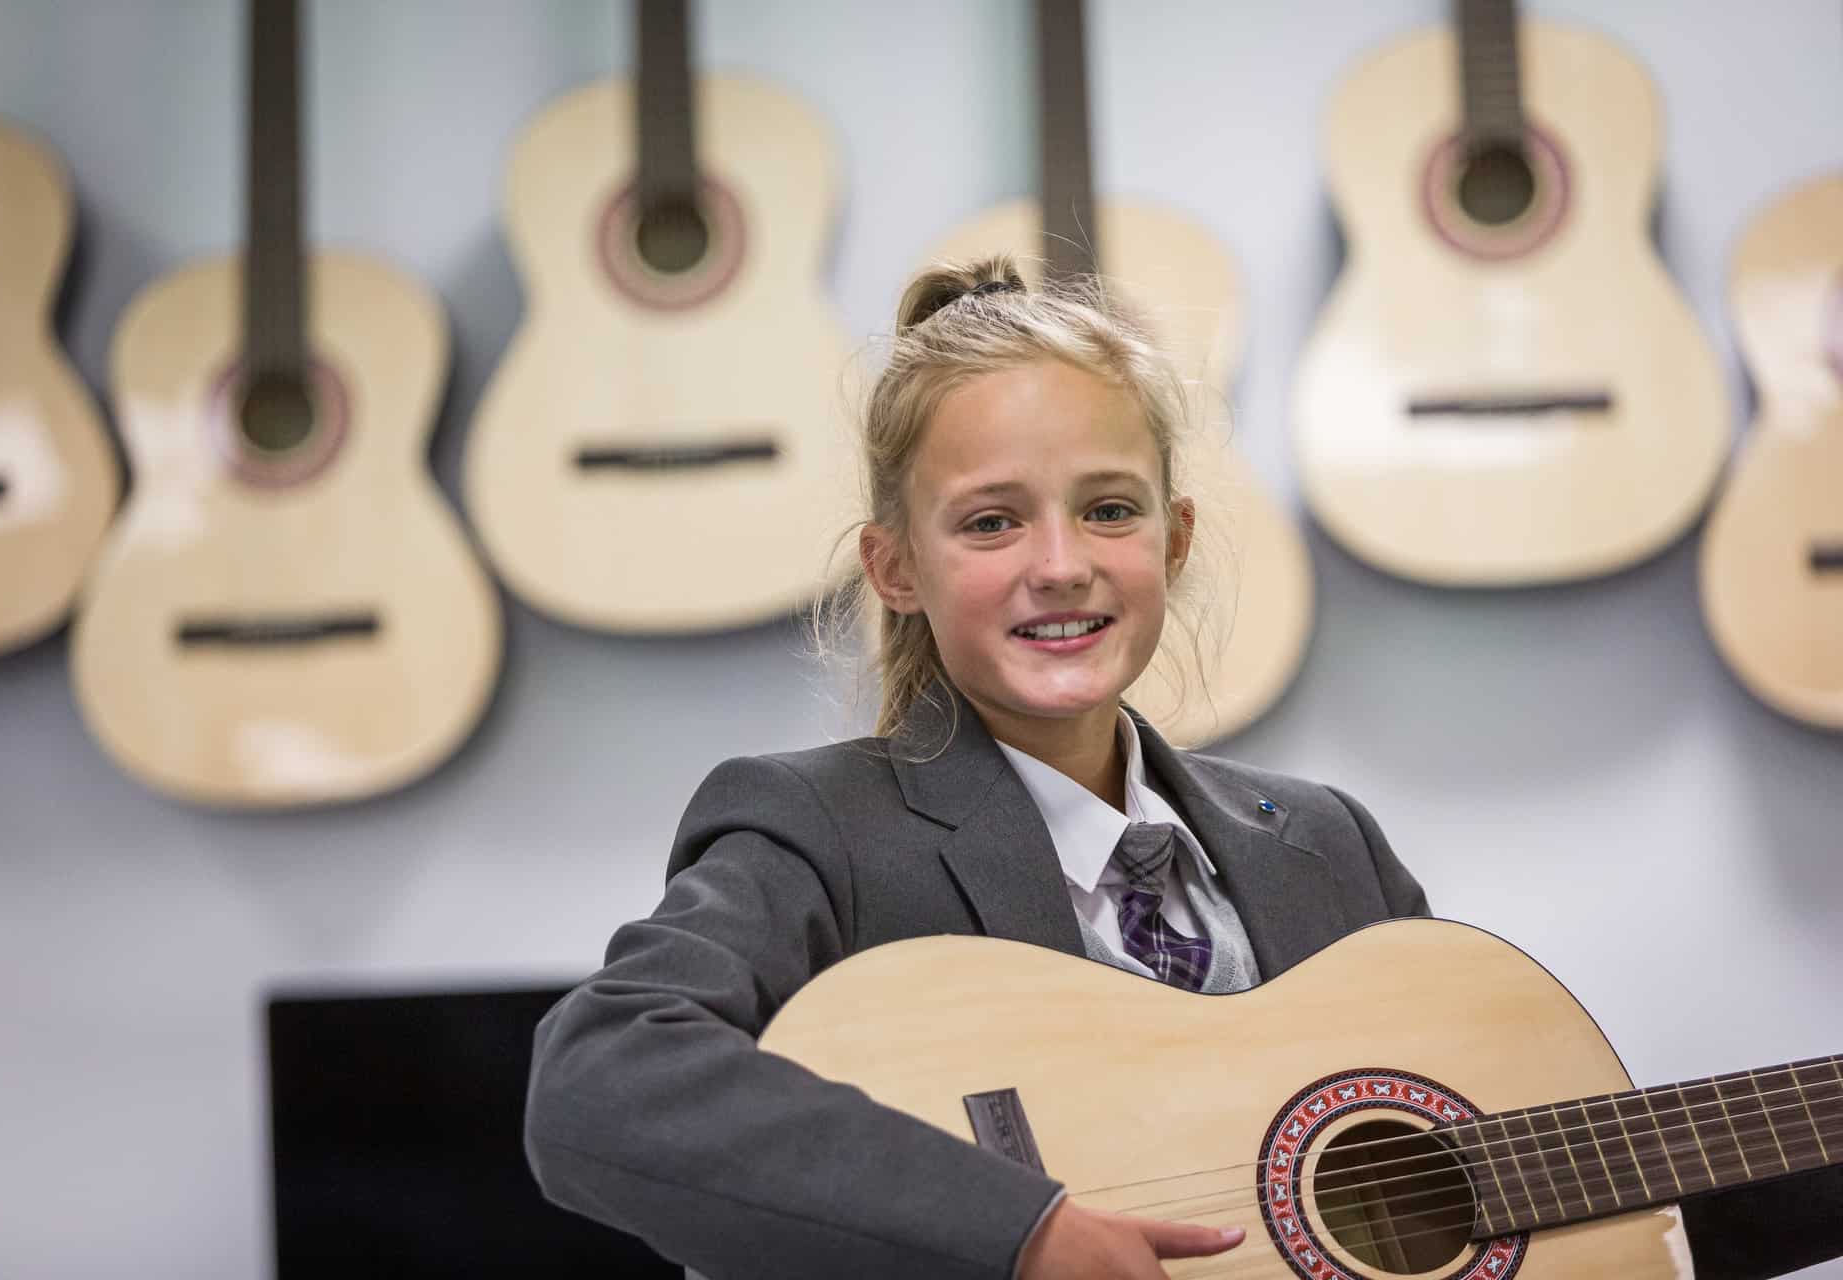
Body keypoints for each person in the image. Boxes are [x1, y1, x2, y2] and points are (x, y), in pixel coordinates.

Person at [523, 257, 1842, 1280]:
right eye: (992, 522)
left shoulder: (1325, 847)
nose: (1061, 562)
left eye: (1109, 508)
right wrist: (1018, 1228)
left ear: (1177, 536)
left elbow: (1580, 1234)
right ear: (896, 569)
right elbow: (603, 1081)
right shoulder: (822, 826)